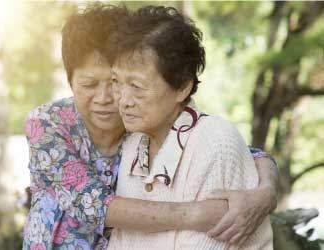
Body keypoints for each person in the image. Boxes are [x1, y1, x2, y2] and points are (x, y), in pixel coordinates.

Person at [23, 3, 278, 250]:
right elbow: (93, 205)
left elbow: (238, 150)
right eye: (89, 85)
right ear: (70, 81)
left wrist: (265, 194)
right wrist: (196, 214)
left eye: (114, 82)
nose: (106, 98)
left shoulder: (144, 116)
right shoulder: (48, 124)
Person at [108, 5, 273, 249]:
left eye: (137, 86)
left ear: (182, 87)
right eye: (116, 82)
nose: (123, 99)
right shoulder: (134, 144)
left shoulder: (214, 141)